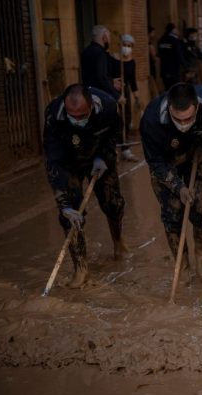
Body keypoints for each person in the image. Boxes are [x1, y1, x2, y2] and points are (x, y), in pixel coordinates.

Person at [43, 84, 127, 287]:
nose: (77, 120)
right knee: (70, 214)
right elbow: (53, 161)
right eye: (72, 116)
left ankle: (118, 241)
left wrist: (103, 156)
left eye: (82, 115)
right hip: (69, 163)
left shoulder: (107, 106)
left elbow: (114, 134)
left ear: (91, 107)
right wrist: (64, 204)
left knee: (113, 203)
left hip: (99, 158)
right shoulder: (54, 114)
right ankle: (81, 268)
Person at [140, 83, 202, 282]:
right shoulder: (151, 121)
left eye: (188, 119)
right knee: (172, 212)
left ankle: (201, 254)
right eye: (178, 119)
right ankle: (182, 263)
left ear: (197, 107)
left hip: (199, 151)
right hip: (167, 161)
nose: (183, 124)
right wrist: (179, 187)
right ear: (170, 108)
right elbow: (156, 163)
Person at [109, 34, 140, 161]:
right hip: (113, 91)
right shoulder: (113, 59)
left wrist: (137, 97)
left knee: (126, 119)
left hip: (125, 92)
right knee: (116, 120)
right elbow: (106, 76)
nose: (126, 47)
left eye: (129, 46)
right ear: (120, 45)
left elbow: (132, 81)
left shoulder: (131, 62)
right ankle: (113, 148)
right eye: (124, 45)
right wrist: (112, 83)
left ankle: (125, 148)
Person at [80, 25, 123, 103]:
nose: (109, 41)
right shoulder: (100, 53)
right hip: (99, 96)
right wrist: (117, 96)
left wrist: (111, 81)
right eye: (109, 38)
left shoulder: (85, 51)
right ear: (104, 37)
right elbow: (102, 78)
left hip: (87, 94)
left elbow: (93, 74)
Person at [158, 23, 187, 90]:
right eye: (176, 29)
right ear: (173, 30)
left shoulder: (161, 40)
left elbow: (160, 53)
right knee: (176, 89)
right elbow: (178, 55)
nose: (177, 30)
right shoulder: (175, 41)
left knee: (167, 89)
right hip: (174, 70)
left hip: (164, 70)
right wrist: (185, 65)